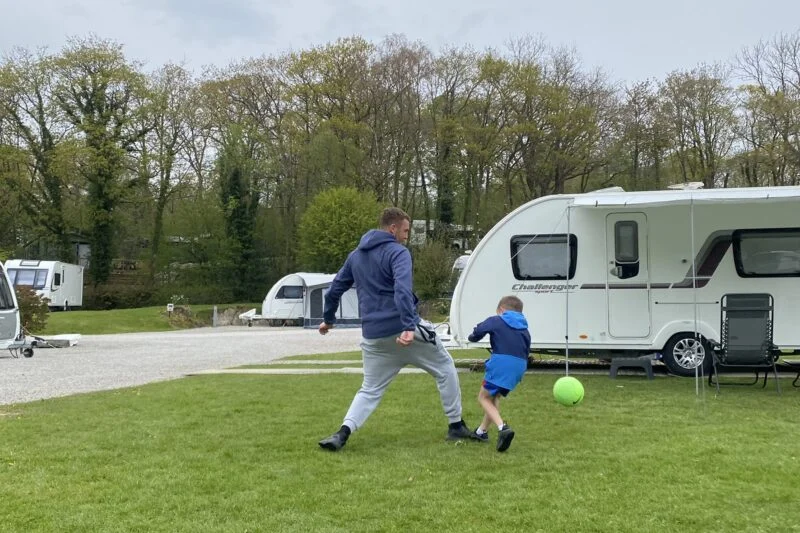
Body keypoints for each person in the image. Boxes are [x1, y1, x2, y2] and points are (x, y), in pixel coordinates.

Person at [317, 207, 473, 451]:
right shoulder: (398, 253)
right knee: (445, 368)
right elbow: (402, 289)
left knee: (369, 389)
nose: (407, 236)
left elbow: (335, 288)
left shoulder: (355, 256)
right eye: (405, 230)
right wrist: (409, 325)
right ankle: (456, 426)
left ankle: (342, 433)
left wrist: (328, 319)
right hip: (403, 331)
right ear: (393, 229)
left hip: (374, 336)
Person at [467, 295, 531, 452]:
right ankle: (481, 432)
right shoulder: (524, 328)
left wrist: (472, 336)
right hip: (520, 365)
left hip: (502, 362)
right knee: (493, 396)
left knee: (483, 397)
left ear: (501, 309)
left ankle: (503, 428)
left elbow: (479, 331)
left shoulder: (497, 320)